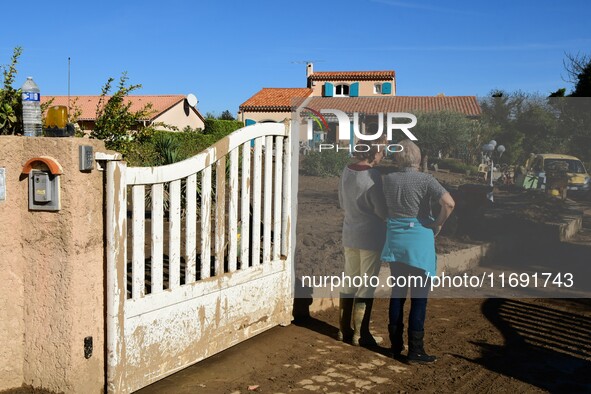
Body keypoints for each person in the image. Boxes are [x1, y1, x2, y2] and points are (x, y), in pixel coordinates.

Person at [381, 139, 455, 363]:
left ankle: (395, 346)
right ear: (419, 158)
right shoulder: (426, 180)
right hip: (419, 242)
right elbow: (449, 203)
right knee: (419, 298)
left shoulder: (387, 179)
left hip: (395, 240)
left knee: (398, 294)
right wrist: (437, 224)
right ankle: (416, 350)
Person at [337, 141, 387, 346]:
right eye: (382, 151)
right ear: (374, 153)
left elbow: (341, 201)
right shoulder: (373, 176)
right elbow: (381, 211)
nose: (383, 155)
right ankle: (360, 333)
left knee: (350, 280)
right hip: (370, 236)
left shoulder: (346, 171)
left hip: (349, 233)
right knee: (366, 285)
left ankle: (343, 330)